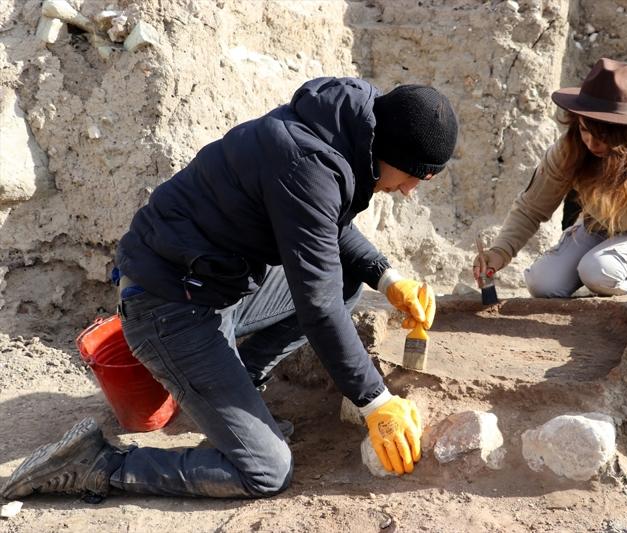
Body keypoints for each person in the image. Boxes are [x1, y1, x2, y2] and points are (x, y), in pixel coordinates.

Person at [2, 77, 458, 500]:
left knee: (345, 282)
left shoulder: (347, 128)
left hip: (212, 283)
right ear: (392, 152)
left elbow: (321, 222)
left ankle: (241, 389)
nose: (409, 190)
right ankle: (97, 463)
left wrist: (387, 277)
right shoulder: (308, 162)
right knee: (266, 470)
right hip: (168, 306)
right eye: (413, 177)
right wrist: (375, 401)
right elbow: (317, 303)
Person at [473, 58, 627, 308]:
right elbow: (531, 207)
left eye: (603, 136)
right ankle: (606, 279)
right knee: (543, 283)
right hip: (599, 227)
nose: (592, 144)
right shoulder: (571, 146)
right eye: (585, 130)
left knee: (597, 270)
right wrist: (500, 252)